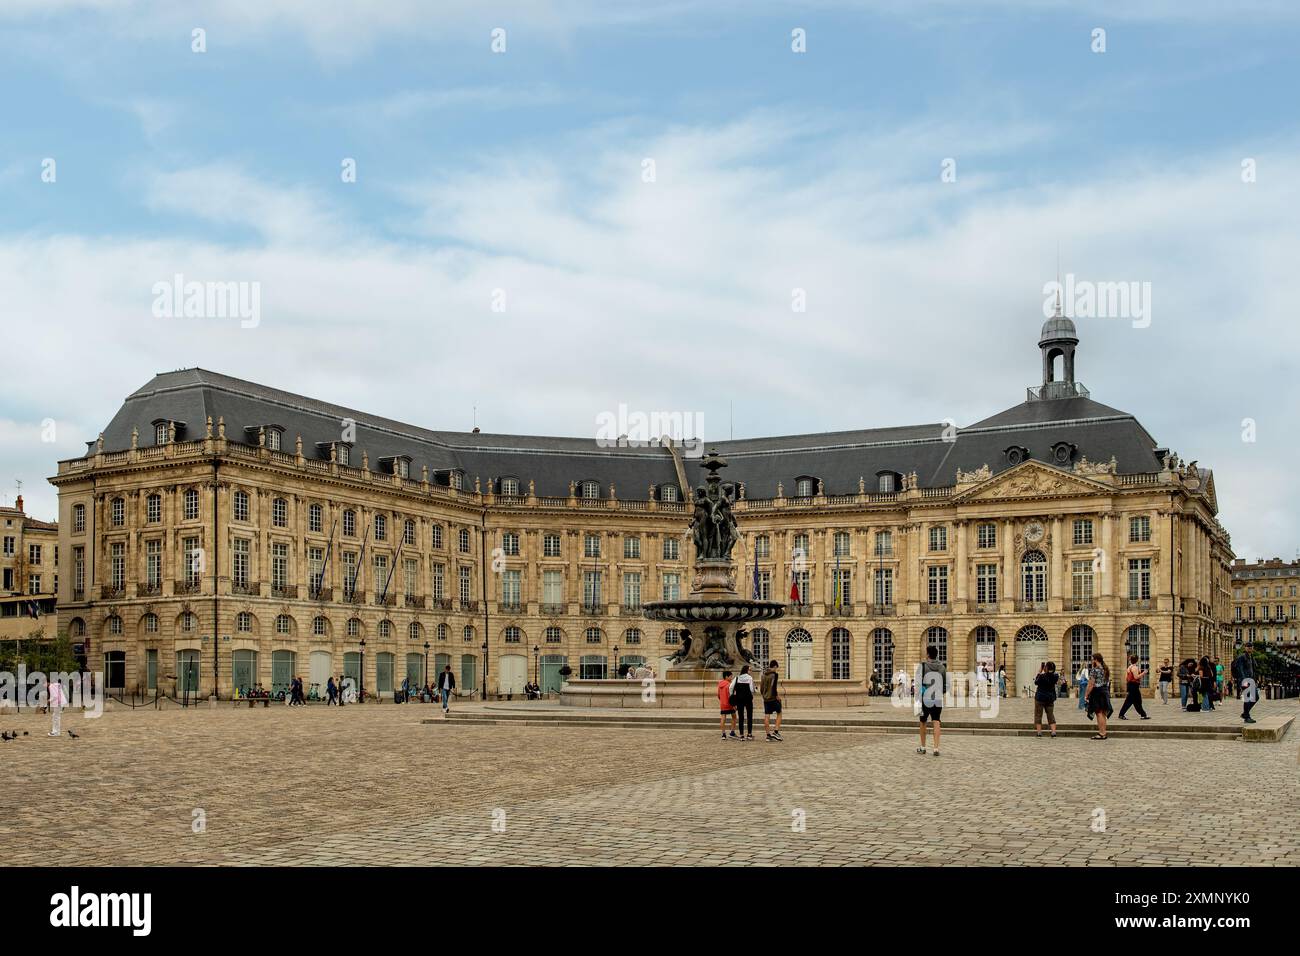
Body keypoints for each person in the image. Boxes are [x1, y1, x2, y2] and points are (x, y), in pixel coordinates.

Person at [915, 644, 946, 756]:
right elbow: (945, 685)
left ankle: (923, 747)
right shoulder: (942, 667)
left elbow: (918, 684)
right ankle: (936, 748)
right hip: (937, 697)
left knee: (923, 721)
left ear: (928, 654)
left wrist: (917, 699)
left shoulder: (922, 666)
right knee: (936, 721)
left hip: (925, 697)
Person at [1085, 652, 1112, 740]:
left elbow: (1091, 684)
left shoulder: (1095, 670)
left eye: (1092, 659)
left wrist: (1086, 694)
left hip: (1097, 692)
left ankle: (1101, 733)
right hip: (1105, 691)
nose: (1092, 661)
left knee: (1099, 713)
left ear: (1096, 660)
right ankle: (1104, 732)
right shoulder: (1105, 669)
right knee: (1103, 713)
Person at [1231, 644, 1258, 724]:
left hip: (1251, 679)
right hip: (1245, 680)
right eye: (1248, 647)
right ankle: (1247, 717)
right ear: (1245, 648)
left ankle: (1245, 714)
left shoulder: (1251, 657)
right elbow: (1240, 669)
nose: (1250, 648)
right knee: (1248, 698)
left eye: (1251, 647)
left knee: (1256, 696)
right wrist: (1244, 680)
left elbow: (1253, 668)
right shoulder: (1241, 657)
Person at [1117, 655, 1150, 720]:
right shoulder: (1134, 668)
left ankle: (1143, 715)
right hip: (1134, 686)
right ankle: (1121, 714)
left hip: (1131, 685)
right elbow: (1136, 677)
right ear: (1137, 660)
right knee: (1130, 701)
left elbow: (1126, 677)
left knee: (1137, 701)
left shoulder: (1129, 667)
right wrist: (1144, 673)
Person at [1033, 661, 1059, 737]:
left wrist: (1039, 672)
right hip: (1050, 698)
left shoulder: (1041, 676)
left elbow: (1036, 682)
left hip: (1040, 698)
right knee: (1050, 715)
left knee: (1038, 715)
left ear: (1046, 668)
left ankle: (1039, 732)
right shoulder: (1055, 676)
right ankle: (1053, 732)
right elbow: (1052, 675)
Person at [732, 665, 756, 740]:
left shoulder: (737, 678)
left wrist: (732, 696)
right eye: (750, 670)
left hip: (739, 699)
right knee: (749, 716)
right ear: (746, 670)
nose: (750, 671)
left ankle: (741, 735)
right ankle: (749, 734)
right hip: (748, 699)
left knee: (741, 717)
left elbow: (731, 687)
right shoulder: (749, 678)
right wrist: (755, 691)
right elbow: (752, 689)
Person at [761, 660, 783, 741]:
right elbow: (774, 687)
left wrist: (764, 696)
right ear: (774, 667)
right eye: (776, 668)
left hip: (766, 699)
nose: (776, 669)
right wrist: (777, 696)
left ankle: (768, 735)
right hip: (773, 698)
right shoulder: (774, 675)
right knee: (779, 713)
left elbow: (761, 688)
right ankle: (776, 732)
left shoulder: (763, 675)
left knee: (767, 715)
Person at [717, 670, 738, 740]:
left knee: (723, 718)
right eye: (731, 676)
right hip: (730, 704)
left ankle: (723, 734)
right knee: (734, 717)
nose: (732, 678)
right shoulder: (729, 685)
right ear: (727, 677)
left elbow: (718, 695)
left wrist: (722, 700)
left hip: (723, 704)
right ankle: (732, 732)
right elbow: (731, 696)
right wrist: (734, 705)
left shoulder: (720, 684)